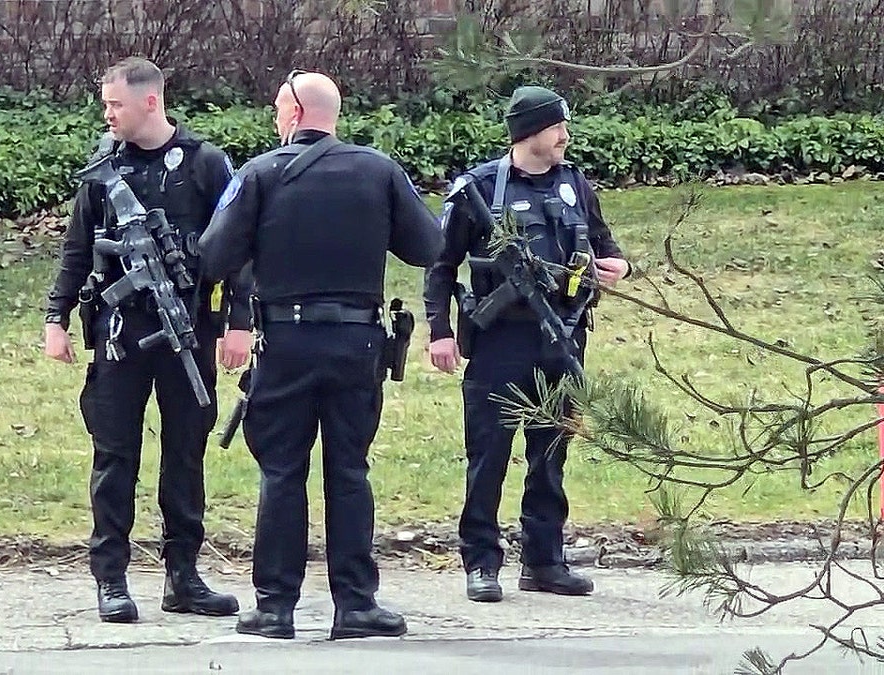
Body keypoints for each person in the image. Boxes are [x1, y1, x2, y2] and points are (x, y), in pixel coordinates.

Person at [198, 70, 443, 640]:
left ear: (295, 112)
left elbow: (212, 255)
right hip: (357, 344)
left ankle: (276, 607)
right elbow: (428, 245)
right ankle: (355, 605)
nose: (274, 117)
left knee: (282, 471)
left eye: (278, 107)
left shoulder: (260, 174)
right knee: (350, 471)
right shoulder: (379, 171)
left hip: (285, 342)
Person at [43, 57, 255, 624]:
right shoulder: (103, 168)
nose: (107, 114)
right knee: (115, 456)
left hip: (186, 330)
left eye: (115, 104)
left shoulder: (206, 164)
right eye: (106, 104)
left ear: (150, 102)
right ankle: (110, 576)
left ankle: (182, 576)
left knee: (185, 454)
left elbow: (237, 249)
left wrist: (239, 321)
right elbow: (76, 248)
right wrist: (55, 318)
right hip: (120, 333)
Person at [422, 85, 631, 603]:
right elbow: (440, 264)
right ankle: (481, 563)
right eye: (556, 126)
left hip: (563, 335)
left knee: (551, 453)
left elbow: (606, 245)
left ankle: (544, 560)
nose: (565, 136)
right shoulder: (477, 189)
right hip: (499, 342)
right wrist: (440, 331)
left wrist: (618, 266)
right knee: (488, 453)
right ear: (529, 133)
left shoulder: (575, 184)